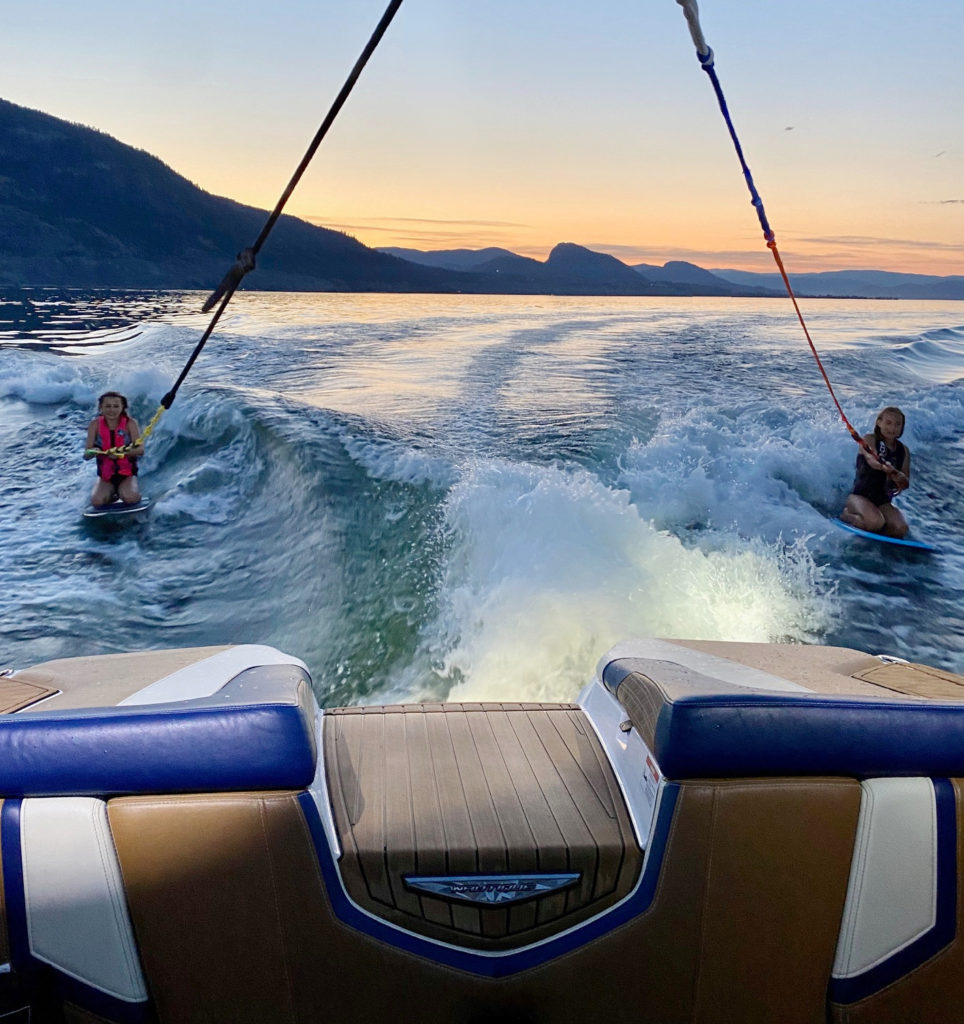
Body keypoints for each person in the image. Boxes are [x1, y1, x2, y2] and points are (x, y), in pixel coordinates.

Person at [841, 406, 911, 538]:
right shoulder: (869, 439)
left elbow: (906, 482)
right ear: (879, 422)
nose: (893, 428)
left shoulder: (904, 451)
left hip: (882, 501)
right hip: (860, 496)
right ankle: (847, 515)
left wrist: (898, 476)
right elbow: (871, 459)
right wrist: (884, 467)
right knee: (875, 522)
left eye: (898, 424)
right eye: (888, 423)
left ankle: (874, 529)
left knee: (900, 528)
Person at [84, 391, 144, 506]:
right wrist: (93, 452)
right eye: (107, 406)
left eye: (116, 406)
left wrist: (121, 454)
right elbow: (86, 455)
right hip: (105, 476)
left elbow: (140, 450)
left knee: (130, 497)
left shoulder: (130, 424)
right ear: (101, 408)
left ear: (123, 407)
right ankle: (111, 493)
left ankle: (126, 491)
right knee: (97, 502)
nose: (112, 410)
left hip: (127, 474)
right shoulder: (94, 425)